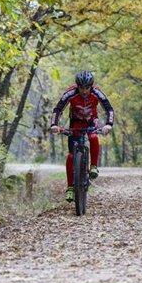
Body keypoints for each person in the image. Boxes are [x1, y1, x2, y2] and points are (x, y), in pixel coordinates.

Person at [50, 71, 114, 202]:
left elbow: (109, 109)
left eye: (87, 88)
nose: (84, 91)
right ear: (77, 86)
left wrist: (108, 124)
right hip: (76, 122)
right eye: (81, 88)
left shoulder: (97, 92)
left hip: (92, 120)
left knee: (93, 137)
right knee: (71, 155)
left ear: (91, 86)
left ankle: (93, 166)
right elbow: (58, 109)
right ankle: (70, 188)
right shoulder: (71, 92)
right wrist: (54, 124)